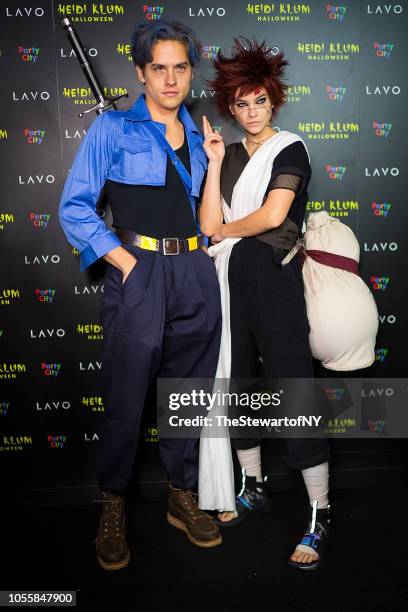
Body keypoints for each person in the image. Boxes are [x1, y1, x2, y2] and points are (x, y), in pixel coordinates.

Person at [59, 19, 223, 571]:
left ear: (189, 72)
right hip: (139, 271)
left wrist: (217, 164)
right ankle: (113, 502)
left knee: (187, 392)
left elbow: (206, 216)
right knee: (126, 396)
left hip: (194, 270)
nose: (171, 79)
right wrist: (125, 260)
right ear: (140, 73)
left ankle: (182, 493)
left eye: (180, 67)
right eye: (160, 68)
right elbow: (75, 206)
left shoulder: (200, 137)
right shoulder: (111, 127)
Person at [198, 38, 333, 570]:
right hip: (230, 283)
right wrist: (211, 166)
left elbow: (275, 215)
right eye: (241, 104)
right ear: (230, 108)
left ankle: (320, 511)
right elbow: (206, 224)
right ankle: (253, 485)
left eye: (259, 101)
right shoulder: (227, 156)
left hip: (274, 283)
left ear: (272, 100)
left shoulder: (291, 148)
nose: (251, 112)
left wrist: (225, 231)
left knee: (294, 390)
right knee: (239, 387)